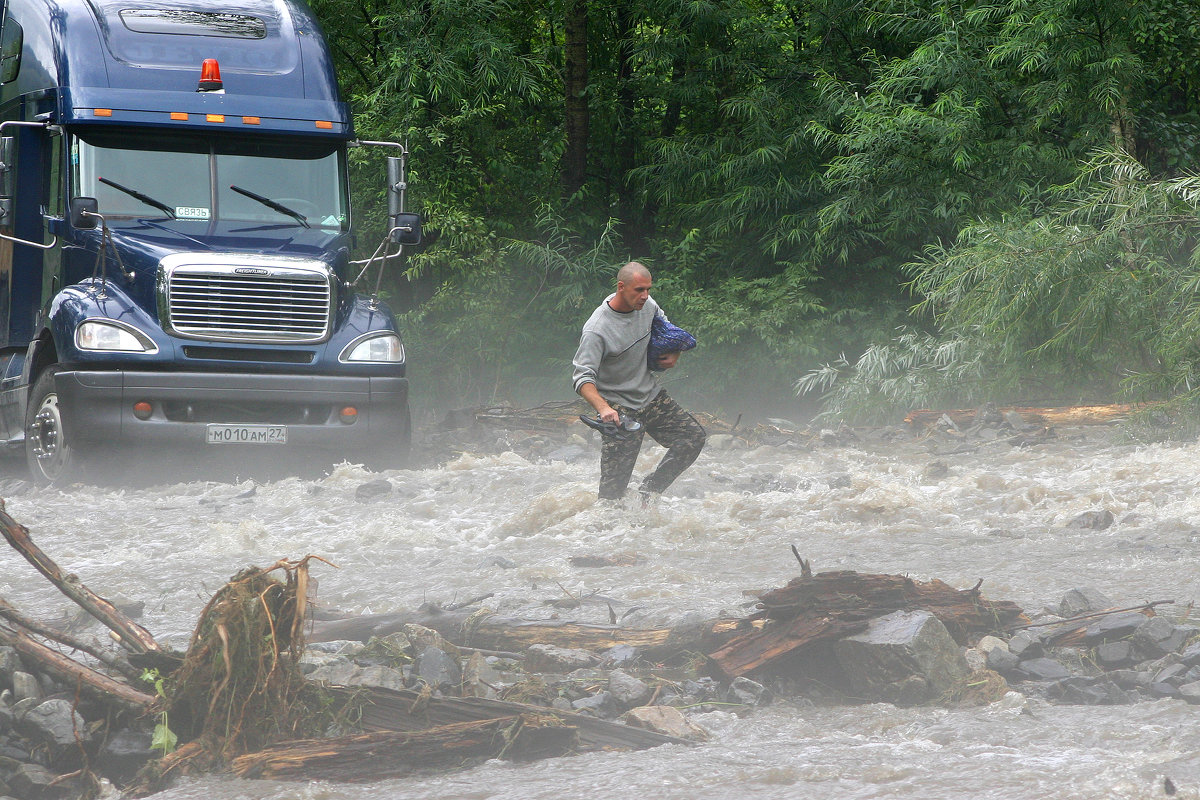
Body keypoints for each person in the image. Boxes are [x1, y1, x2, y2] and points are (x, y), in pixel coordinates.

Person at [572, 261, 706, 502]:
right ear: (621, 287)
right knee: (612, 497)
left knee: (693, 438)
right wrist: (603, 409)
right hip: (619, 409)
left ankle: (648, 493)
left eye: (648, 289)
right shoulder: (597, 329)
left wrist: (674, 353)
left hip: (651, 397)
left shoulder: (648, 306)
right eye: (639, 290)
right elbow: (582, 378)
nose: (645, 296)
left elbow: (666, 331)